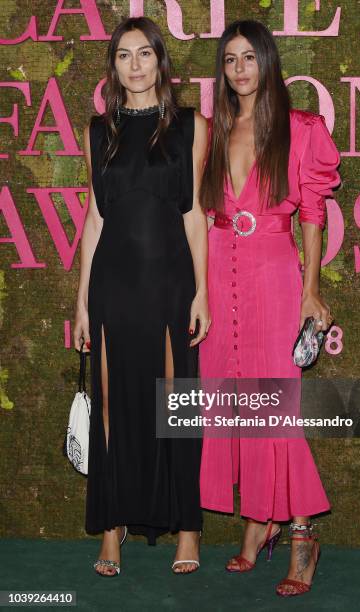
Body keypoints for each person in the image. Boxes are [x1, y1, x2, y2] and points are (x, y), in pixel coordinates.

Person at [198, 20, 341, 596]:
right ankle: (259, 524)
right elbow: (200, 214)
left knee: (274, 411)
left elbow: (313, 214)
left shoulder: (300, 127)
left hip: (273, 273)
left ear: (268, 61)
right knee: (230, 405)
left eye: (249, 57)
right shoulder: (213, 129)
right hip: (218, 264)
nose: (239, 68)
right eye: (230, 59)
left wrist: (311, 289)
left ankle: (302, 532)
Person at [73, 16, 209, 577]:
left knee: (174, 406)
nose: (134, 64)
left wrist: (200, 290)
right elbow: (95, 218)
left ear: (160, 61)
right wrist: (81, 300)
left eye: (144, 54)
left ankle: (188, 529)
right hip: (113, 285)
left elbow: (195, 213)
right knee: (111, 405)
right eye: (124, 55)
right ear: (115, 66)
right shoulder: (96, 131)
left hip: (171, 283)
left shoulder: (190, 127)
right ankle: (112, 528)